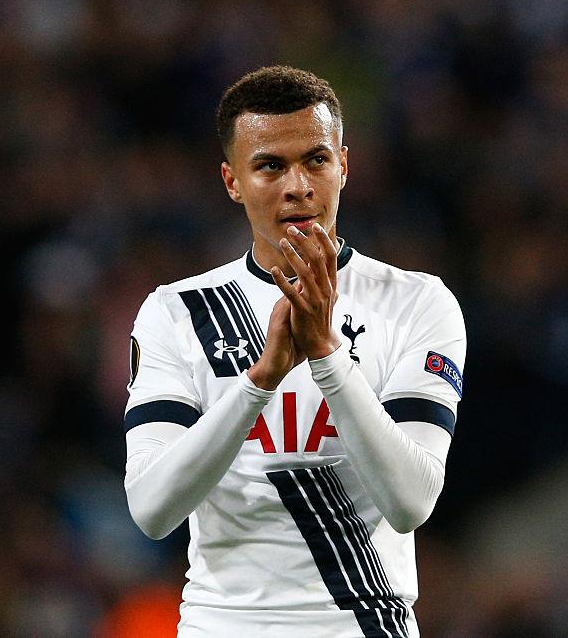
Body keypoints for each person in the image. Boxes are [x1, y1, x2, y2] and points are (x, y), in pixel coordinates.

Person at [123, 66, 466, 637]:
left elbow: (411, 502)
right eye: (270, 166)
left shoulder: (416, 303)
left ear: (344, 166)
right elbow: (152, 509)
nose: (298, 186)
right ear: (232, 181)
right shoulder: (177, 312)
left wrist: (327, 356)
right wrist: (258, 382)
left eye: (316, 160)